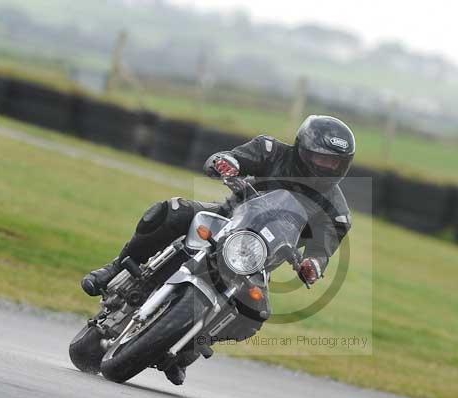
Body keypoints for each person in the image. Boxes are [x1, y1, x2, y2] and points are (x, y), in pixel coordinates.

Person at [82, 115, 355, 384]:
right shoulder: (270, 150)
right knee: (170, 212)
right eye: (321, 158)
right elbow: (231, 157)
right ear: (302, 149)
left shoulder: (338, 212)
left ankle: (189, 349)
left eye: (335, 162)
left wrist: (313, 265)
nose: (327, 166)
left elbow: (323, 248)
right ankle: (116, 268)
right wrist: (226, 163)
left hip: (260, 257)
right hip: (226, 218)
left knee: (255, 314)